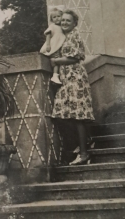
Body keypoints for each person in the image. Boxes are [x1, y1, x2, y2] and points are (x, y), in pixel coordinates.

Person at [50, 9, 95, 165]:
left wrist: (57, 62)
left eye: (68, 20)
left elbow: (75, 57)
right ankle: (85, 142)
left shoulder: (75, 35)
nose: (64, 23)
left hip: (75, 77)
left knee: (78, 114)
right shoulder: (64, 36)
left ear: (75, 23)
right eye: (62, 20)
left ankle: (83, 153)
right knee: (62, 112)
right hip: (66, 78)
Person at [40, 6, 65, 84]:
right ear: (52, 19)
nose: (57, 18)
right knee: (55, 59)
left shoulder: (62, 27)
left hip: (59, 45)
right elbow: (48, 35)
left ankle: (57, 75)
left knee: (59, 60)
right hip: (54, 46)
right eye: (54, 17)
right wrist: (48, 45)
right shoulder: (52, 26)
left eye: (58, 16)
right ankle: (55, 76)